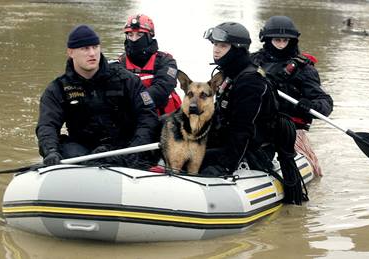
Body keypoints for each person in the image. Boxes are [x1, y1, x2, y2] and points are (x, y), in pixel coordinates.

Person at [201, 22, 307, 205]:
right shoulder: (231, 74)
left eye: (222, 46)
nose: (216, 50)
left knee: (197, 161)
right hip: (228, 141)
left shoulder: (250, 82)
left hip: (253, 151)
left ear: (237, 49)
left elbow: (242, 130)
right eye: (215, 45)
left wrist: (225, 166)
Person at [36, 24, 159, 166]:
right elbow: (47, 125)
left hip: (125, 149)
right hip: (84, 152)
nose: (92, 53)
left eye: (95, 47)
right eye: (85, 48)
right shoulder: (57, 89)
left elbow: (148, 116)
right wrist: (50, 151)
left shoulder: (128, 80)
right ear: (71, 52)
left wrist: (135, 150)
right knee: (66, 148)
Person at [251, 16, 333, 176]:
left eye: (285, 40)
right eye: (277, 40)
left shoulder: (304, 70)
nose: (281, 44)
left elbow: (325, 103)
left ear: (292, 41)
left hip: (288, 129)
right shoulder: (252, 62)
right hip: (255, 125)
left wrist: (310, 106)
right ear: (267, 40)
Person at [118, 14, 181, 116]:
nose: (134, 40)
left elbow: (163, 87)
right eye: (130, 35)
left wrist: (140, 99)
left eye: (139, 35)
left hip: (166, 121)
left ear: (149, 37)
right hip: (135, 118)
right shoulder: (120, 63)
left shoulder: (167, 61)